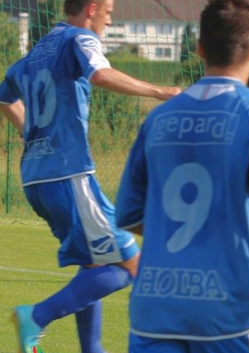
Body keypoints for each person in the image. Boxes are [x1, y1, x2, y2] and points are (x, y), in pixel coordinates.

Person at [114, 0, 249, 352]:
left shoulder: (157, 120)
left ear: (200, 49)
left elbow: (128, 213)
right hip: (226, 307)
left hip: (153, 306)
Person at [0, 0, 181, 352]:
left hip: (36, 176)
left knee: (94, 262)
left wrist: (30, 131)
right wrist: (162, 91)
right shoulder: (80, 38)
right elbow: (100, 74)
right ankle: (35, 316)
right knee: (131, 265)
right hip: (68, 173)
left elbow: (5, 97)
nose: (110, 19)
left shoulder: (39, 48)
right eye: (109, 10)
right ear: (92, 7)